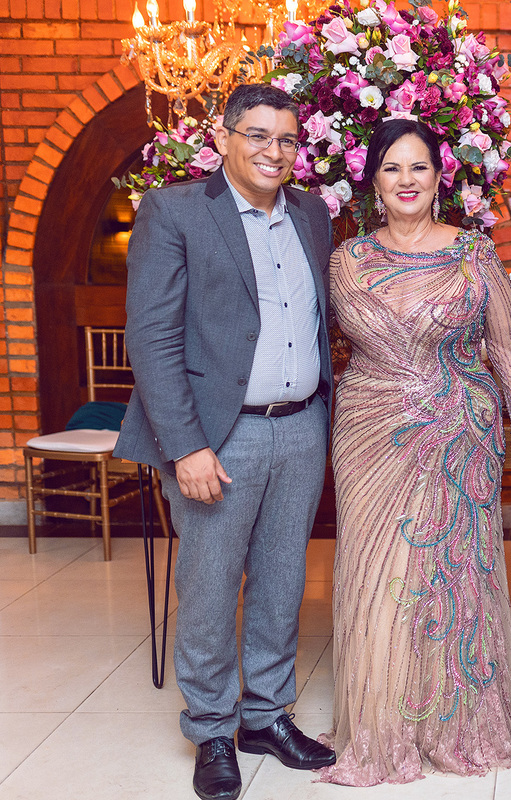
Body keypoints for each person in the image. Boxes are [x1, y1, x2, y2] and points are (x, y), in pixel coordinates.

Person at [115, 83, 337, 800]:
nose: (275, 151)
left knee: (282, 582)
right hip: (218, 435)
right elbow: (151, 337)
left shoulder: (310, 214)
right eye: (258, 135)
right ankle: (212, 727)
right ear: (223, 138)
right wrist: (185, 446)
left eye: (287, 139)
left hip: (300, 426)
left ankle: (266, 716)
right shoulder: (175, 211)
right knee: (209, 590)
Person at [316, 118, 511, 785]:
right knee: (378, 573)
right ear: (373, 182)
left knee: (450, 575)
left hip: (460, 436)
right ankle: (382, 723)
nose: (406, 180)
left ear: (440, 177)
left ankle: (457, 721)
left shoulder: (474, 253)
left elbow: (504, 347)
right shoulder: (346, 260)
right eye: (392, 168)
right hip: (370, 432)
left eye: (418, 167)